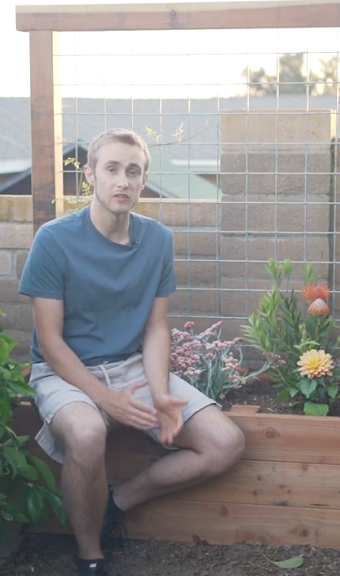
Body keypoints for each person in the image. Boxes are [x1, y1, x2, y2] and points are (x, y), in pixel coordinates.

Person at [18, 128, 246, 576]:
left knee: (226, 443)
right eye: (112, 169)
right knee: (86, 434)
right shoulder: (54, 239)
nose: (122, 180)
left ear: (144, 181)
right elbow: (50, 342)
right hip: (64, 372)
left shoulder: (158, 240)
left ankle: (117, 502)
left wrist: (160, 394)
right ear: (91, 176)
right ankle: (89, 555)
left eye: (133, 171)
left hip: (130, 367)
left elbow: (156, 327)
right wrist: (105, 401)